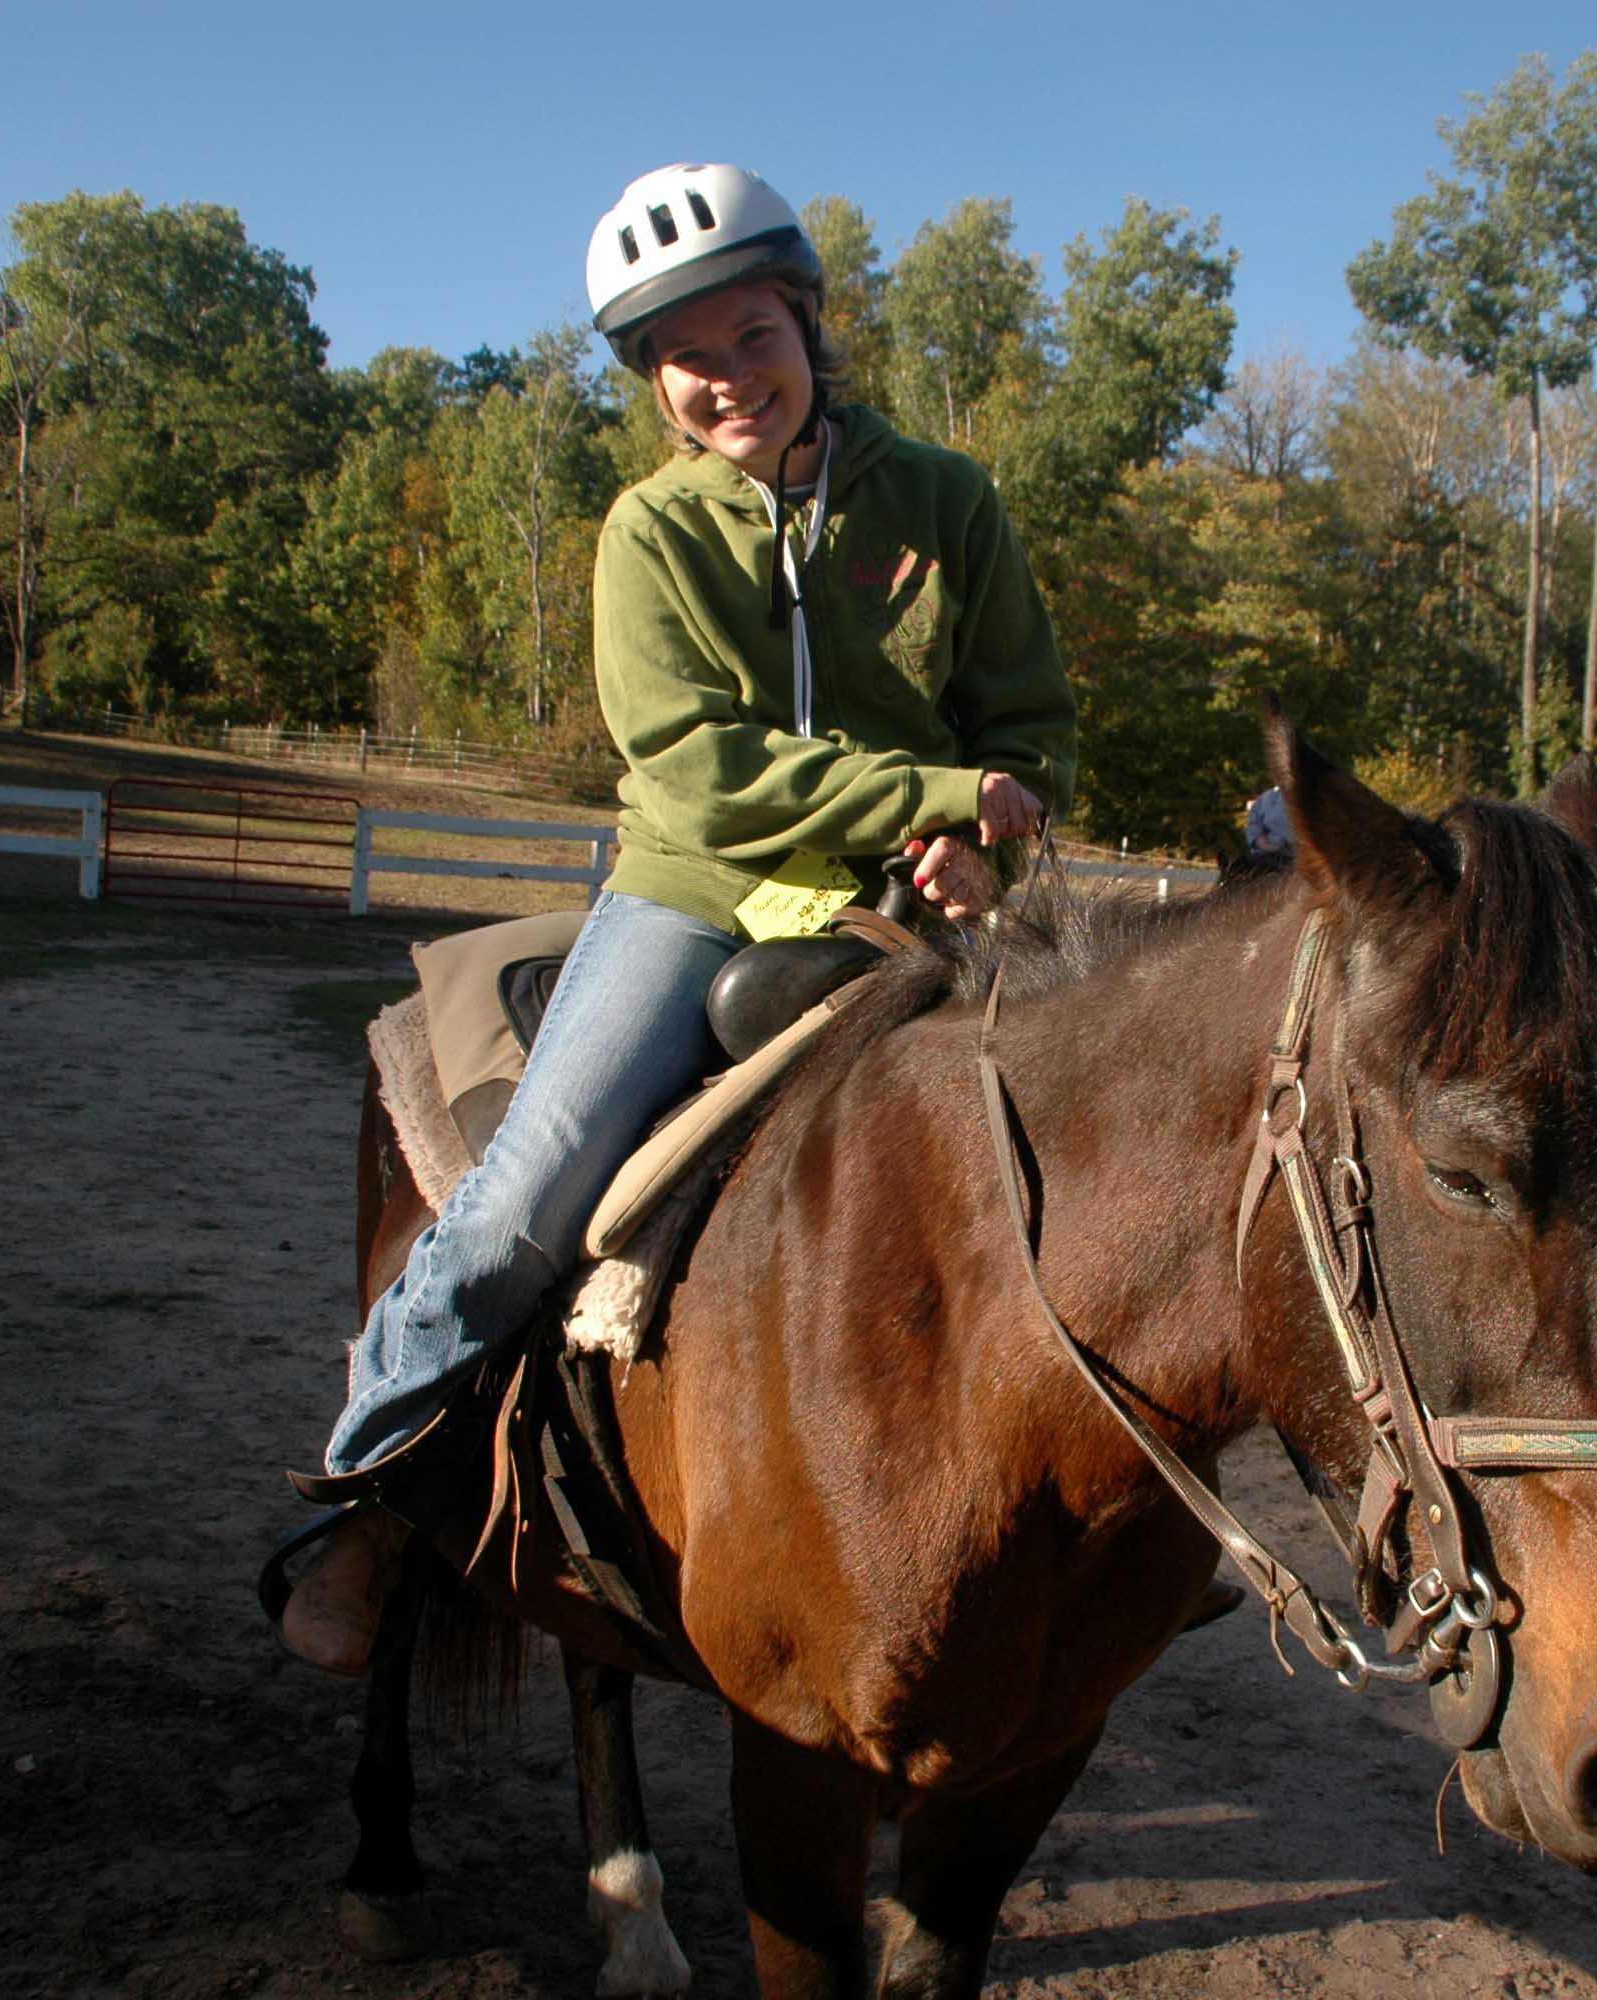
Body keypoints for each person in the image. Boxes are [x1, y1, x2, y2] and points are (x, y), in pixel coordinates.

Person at [278, 163, 1078, 1675]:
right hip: (698, 893)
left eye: (752, 335)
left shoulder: (945, 503)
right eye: (687, 357)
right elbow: (698, 771)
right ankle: (372, 1491)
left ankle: (1112, 1529)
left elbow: (1028, 728)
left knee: (1093, 1169)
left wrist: (991, 845)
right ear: (653, 383)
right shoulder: (647, 535)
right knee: (522, 1204)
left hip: (909, 909)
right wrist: (929, 792)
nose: (730, 379)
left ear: (808, 325)